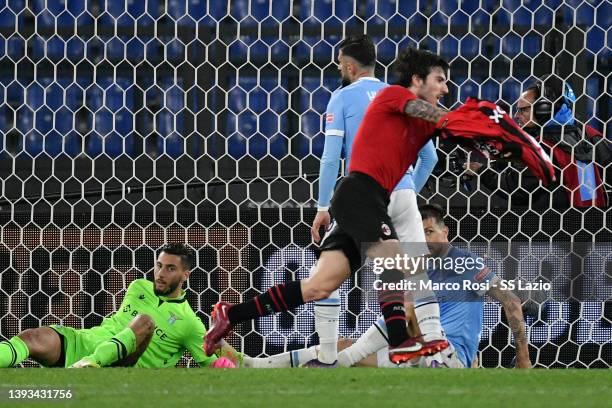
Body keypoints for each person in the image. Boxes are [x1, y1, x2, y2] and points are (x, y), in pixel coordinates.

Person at [205, 46, 551, 364]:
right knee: (394, 256)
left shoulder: (420, 123)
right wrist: (486, 124)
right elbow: (443, 119)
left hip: (368, 202)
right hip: (359, 193)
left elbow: (449, 136)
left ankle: (229, 315)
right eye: (440, 80)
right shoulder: (393, 95)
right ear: (417, 80)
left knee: (318, 286)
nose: (446, 88)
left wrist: (490, 146)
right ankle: (400, 340)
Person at [242, 204, 532, 369]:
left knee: (404, 307)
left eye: (431, 231)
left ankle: (338, 361)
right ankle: (255, 365)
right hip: (421, 353)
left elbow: (512, 301)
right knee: (342, 348)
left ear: (446, 232)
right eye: (420, 233)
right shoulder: (416, 268)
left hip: (448, 356)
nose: (426, 239)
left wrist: (523, 359)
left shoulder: (465, 264)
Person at [309, 35, 439, 366]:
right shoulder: (394, 95)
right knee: (415, 271)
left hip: (365, 192)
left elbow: (329, 158)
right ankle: (436, 346)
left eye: (340, 65)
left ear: (349, 66)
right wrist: (408, 189)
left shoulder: (341, 97)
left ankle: (327, 352)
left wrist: (323, 207)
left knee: (328, 270)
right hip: (404, 191)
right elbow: (430, 158)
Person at [0, 244, 237, 368]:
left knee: (145, 322)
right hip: (87, 344)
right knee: (32, 338)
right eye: (158, 265)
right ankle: (87, 362)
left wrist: (222, 359)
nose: (160, 273)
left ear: (186, 275)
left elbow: (215, 362)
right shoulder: (138, 287)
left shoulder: (190, 323)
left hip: (123, 367)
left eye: (170, 268)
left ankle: (91, 364)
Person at [466, 74, 607, 208]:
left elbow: (517, 189)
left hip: (553, 228)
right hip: (592, 225)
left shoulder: (543, 148)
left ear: (543, 109)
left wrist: (480, 170)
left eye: (523, 110)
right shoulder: (589, 135)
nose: (516, 116)